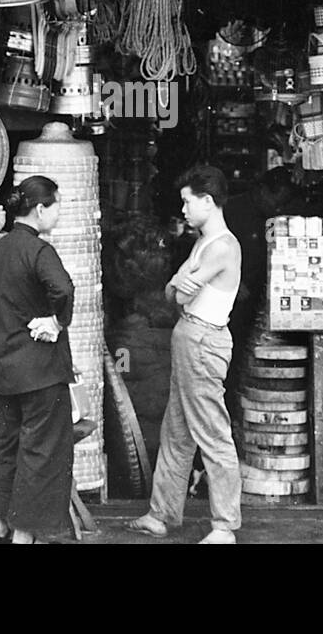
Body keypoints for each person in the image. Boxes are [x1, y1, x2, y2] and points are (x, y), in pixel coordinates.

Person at [128, 165, 243, 545]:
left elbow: (176, 292)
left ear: (208, 201)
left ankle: (225, 526)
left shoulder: (223, 245)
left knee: (211, 432)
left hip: (203, 340)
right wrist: (178, 284)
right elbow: (173, 291)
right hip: (189, 336)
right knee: (176, 431)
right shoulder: (203, 243)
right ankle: (161, 515)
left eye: (187, 202)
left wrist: (179, 283)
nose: (184, 210)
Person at [0, 176, 76, 545]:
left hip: (5, 366)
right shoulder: (40, 251)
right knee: (41, 452)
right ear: (40, 209)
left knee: (8, 447)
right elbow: (64, 289)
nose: (59, 212)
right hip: (39, 371)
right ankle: (23, 535)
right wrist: (55, 320)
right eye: (57, 205)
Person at [221, 166, 299, 421]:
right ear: (263, 189)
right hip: (231, 298)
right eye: (276, 199)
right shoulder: (232, 210)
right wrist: (235, 281)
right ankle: (228, 407)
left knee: (248, 353)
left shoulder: (275, 216)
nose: (278, 206)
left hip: (259, 296)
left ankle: (237, 407)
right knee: (228, 355)